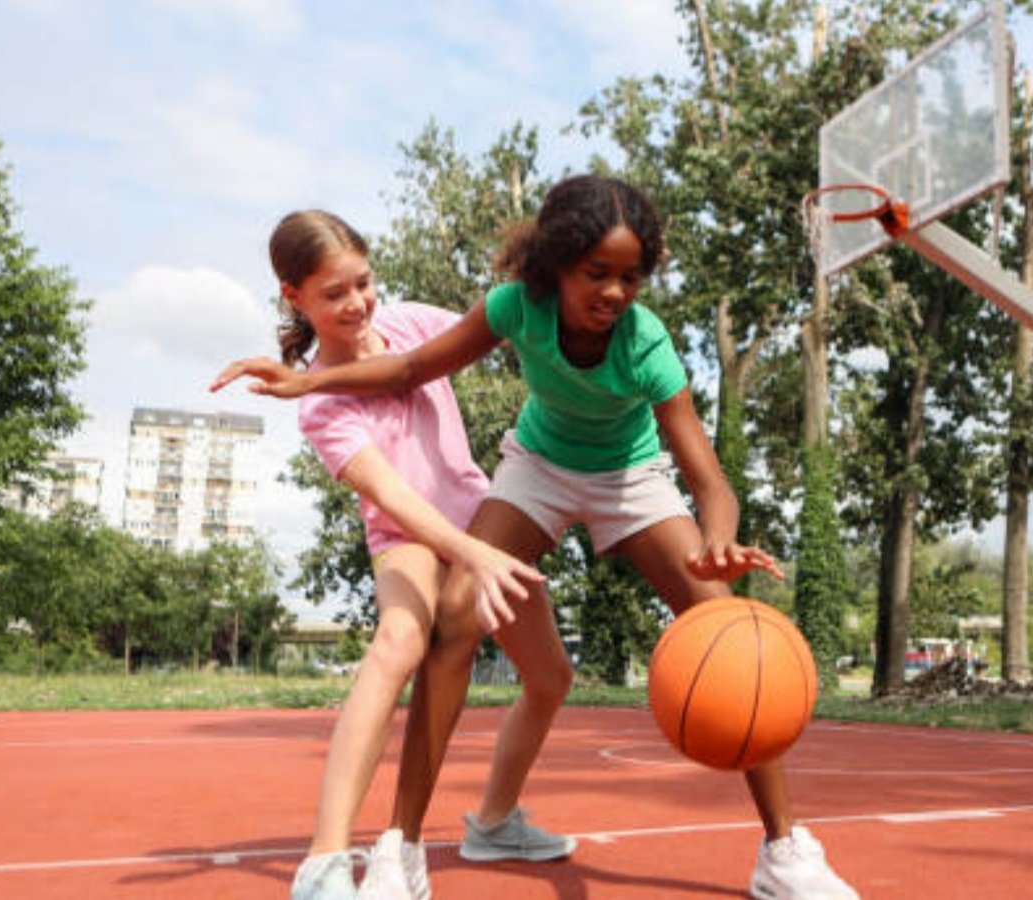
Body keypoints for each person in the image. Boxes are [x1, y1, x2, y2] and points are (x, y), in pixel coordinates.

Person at [214, 176, 859, 899]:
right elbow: (411, 367)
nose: (615, 292)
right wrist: (305, 384)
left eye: (631, 277)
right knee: (455, 617)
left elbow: (710, 481)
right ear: (555, 266)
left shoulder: (647, 344)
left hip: (629, 474)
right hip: (538, 466)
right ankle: (400, 849)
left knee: (726, 621)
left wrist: (717, 540)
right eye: (597, 274)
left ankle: (786, 851)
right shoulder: (517, 307)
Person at [211, 210, 548, 900]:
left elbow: (501, 320)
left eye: (363, 282)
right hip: (408, 540)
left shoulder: (417, 325)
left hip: (481, 519)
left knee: (550, 677)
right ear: (293, 296)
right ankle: (326, 861)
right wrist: (470, 555)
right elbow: (393, 497)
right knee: (398, 640)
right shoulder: (319, 407)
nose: (358, 303)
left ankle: (494, 821)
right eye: (334, 294)